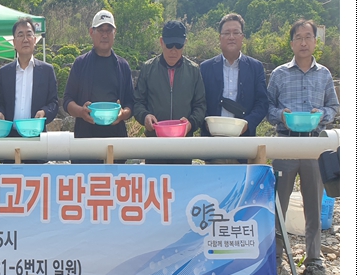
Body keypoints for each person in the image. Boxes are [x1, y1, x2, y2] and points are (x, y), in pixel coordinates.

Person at [267, 18, 339, 275]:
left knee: (313, 204)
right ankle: (275, 259)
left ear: (315, 42)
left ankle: (314, 261)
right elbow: (268, 108)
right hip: (285, 142)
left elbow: (334, 107)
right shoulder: (279, 74)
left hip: (314, 144)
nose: (304, 42)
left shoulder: (324, 74)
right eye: (299, 37)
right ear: (291, 43)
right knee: (278, 204)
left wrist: (322, 114)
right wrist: (281, 115)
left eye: (308, 37)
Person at [62, 10, 135, 163]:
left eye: (109, 30)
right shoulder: (80, 64)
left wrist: (123, 114)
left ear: (114, 33)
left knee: (116, 177)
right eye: (101, 30)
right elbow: (67, 101)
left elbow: (131, 103)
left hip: (116, 139)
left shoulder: (123, 66)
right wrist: (81, 112)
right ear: (91, 32)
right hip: (85, 140)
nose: (105, 35)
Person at [132, 20, 206, 164]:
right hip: (154, 145)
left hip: (183, 146)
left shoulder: (194, 71)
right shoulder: (148, 69)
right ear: (161, 42)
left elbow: (200, 105)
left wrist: (190, 123)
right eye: (169, 45)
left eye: (178, 45)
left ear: (185, 43)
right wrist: (145, 117)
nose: (173, 50)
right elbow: (138, 102)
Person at [200, 13, 268, 138]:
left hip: (244, 140)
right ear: (220, 37)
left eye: (236, 33)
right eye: (227, 33)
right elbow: (199, 102)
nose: (231, 37)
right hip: (212, 141)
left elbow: (262, 103)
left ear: (242, 37)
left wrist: (247, 124)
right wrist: (207, 123)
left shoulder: (256, 67)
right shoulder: (205, 68)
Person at [0, 17, 58, 137]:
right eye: (20, 35)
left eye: (29, 34)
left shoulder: (47, 71)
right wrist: (0, 113)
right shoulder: (5, 73)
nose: (25, 39)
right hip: (10, 136)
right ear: (14, 43)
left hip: (37, 136)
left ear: (34, 40)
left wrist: (44, 112)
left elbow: (53, 103)